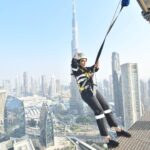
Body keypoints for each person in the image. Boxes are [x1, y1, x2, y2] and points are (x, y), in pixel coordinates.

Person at [71, 52, 131, 148]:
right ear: (78, 62)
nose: (84, 62)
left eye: (85, 60)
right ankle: (107, 140)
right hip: (86, 93)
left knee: (107, 107)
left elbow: (96, 67)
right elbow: (73, 63)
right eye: (82, 60)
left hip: (93, 89)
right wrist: (75, 55)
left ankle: (117, 130)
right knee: (99, 111)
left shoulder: (88, 69)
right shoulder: (76, 70)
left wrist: (97, 58)